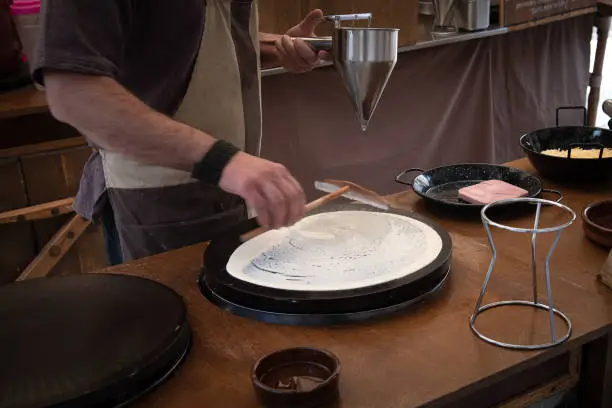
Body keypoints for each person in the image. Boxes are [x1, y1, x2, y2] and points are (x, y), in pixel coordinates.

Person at [33, 1, 326, 265]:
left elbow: (172, 32)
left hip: (232, 190)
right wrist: (223, 161)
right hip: (158, 204)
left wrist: (279, 47)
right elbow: (73, 92)